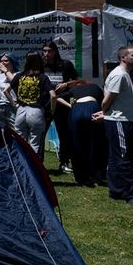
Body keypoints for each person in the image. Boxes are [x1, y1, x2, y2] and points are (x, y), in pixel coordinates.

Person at [93, 46, 133, 208]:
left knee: (116, 157)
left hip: (121, 119)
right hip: (119, 121)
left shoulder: (124, 74)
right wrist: (105, 112)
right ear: (123, 57)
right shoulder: (119, 75)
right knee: (123, 157)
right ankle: (130, 193)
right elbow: (107, 99)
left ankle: (116, 190)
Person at [56, 79, 107, 186]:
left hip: (77, 110)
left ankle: (81, 177)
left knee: (77, 144)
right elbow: (104, 101)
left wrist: (70, 105)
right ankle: (97, 175)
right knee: (95, 143)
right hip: (93, 108)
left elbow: (57, 97)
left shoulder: (74, 89)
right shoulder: (95, 87)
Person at [41, 41, 79, 173]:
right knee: (41, 134)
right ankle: (40, 162)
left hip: (62, 104)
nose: (47, 54)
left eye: (49, 51)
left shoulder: (65, 64)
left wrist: (66, 84)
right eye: (44, 51)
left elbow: (77, 80)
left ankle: (64, 162)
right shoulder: (41, 66)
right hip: (46, 104)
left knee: (64, 134)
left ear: (55, 51)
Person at [10, 52, 54, 163]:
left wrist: (14, 104)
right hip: (36, 111)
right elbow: (53, 95)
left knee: (20, 141)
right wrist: (52, 110)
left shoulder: (19, 76)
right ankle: (33, 166)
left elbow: (6, 90)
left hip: (21, 110)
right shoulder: (42, 77)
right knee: (35, 142)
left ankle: (20, 164)